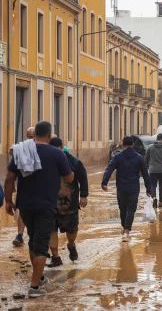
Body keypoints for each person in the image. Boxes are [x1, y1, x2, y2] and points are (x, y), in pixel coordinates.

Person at [4, 121, 74, 297]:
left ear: (34, 135)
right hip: (46, 206)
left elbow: (9, 178)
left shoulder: (22, 151)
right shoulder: (57, 154)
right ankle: (34, 287)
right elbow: (70, 178)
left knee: (33, 239)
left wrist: (8, 201)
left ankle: (39, 275)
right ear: (50, 135)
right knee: (42, 245)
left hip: (25, 205)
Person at [101, 136, 153, 241]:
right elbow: (146, 174)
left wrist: (104, 182)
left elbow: (109, 169)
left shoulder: (117, 157)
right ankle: (127, 230)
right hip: (134, 188)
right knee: (131, 209)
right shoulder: (139, 157)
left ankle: (124, 227)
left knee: (123, 208)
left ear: (123, 145)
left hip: (121, 188)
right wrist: (149, 189)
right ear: (133, 145)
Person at [47, 137, 89, 267]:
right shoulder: (45, 161)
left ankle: (71, 244)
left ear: (61, 148)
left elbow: (83, 178)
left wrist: (83, 196)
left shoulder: (74, 162)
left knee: (71, 230)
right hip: (50, 204)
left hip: (69, 204)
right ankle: (56, 257)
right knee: (51, 230)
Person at [11, 127, 35, 247]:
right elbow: (12, 171)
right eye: (29, 137)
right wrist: (12, 187)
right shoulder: (20, 151)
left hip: (41, 190)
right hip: (23, 188)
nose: (32, 139)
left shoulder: (45, 150)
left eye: (33, 137)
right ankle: (20, 235)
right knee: (21, 211)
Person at [144, 134, 162, 208]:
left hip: (152, 170)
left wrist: (148, 166)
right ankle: (160, 202)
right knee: (161, 186)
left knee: (153, 185)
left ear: (157, 139)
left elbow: (146, 159)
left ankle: (153, 198)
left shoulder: (150, 147)